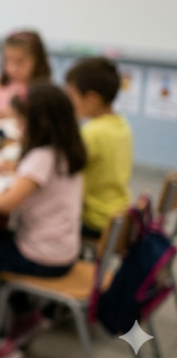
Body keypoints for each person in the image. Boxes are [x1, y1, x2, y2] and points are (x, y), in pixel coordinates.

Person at [0, 83, 86, 358]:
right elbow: (35, 178)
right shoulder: (66, 150)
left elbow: (6, 204)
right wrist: (15, 169)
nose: (17, 126)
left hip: (42, 255)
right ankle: (25, 316)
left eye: (20, 120)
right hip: (62, 249)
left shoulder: (40, 157)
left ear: (39, 123)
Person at [65, 57, 132, 239]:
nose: (68, 102)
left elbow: (63, 170)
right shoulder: (120, 124)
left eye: (71, 95)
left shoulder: (92, 133)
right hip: (118, 212)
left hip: (94, 218)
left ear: (92, 99)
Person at [0, 31, 51, 118]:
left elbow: (39, 116)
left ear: (37, 61)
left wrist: (13, 113)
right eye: (8, 61)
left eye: (20, 62)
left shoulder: (43, 91)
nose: (13, 68)